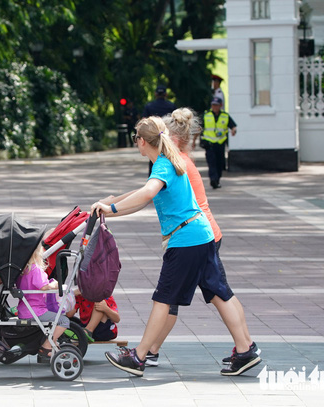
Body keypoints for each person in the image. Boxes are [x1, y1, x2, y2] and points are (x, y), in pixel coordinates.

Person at [94, 116, 260, 377]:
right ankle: (245, 349)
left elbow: (147, 193)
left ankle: (139, 357)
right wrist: (111, 207)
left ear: (142, 141)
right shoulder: (167, 161)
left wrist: (111, 207)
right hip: (200, 236)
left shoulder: (162, 165)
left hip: (186, 241)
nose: (135, 142)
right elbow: (143, 197)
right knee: (219, 292)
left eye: (135, 138)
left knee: (164, 299)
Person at [139, 108, 259, 373]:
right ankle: (246, 347)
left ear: (171, 137)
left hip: (195, 237)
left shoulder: (174, 162)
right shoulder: (181, 160)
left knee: (180, 297)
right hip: (206, 235)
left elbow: (159, 196)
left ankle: (148, 352)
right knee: (221, 293)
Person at [15, 243, 69, 363]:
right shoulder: (35, 269)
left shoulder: (23, 270)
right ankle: (46, 346)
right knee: (64, 321)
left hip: (24, 310)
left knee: (53, 321)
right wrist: (54, 284)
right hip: (35, 311)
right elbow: (44, 287)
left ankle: (51, 343)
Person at [200, 97, 237, 189]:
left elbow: (233, 126)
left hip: (220, 144)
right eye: (213, 105)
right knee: (211, 162)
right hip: (209, 144)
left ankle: (217, 179)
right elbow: (199, 127)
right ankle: (213, 179)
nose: (214, 107)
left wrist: (233, 131)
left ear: (221, 105)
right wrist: (194, 141)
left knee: (220, 163)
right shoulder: (206, 115)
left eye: (216, 105)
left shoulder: (225, 116)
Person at [142, 85, 176, 173]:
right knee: (168, 157)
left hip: (153, 136)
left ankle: (154, 179)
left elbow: (144, 122)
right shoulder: (171, 106)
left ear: (155, 94)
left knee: (153, 158)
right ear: (166, 94)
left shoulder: (149, 106)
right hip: (167, 137)